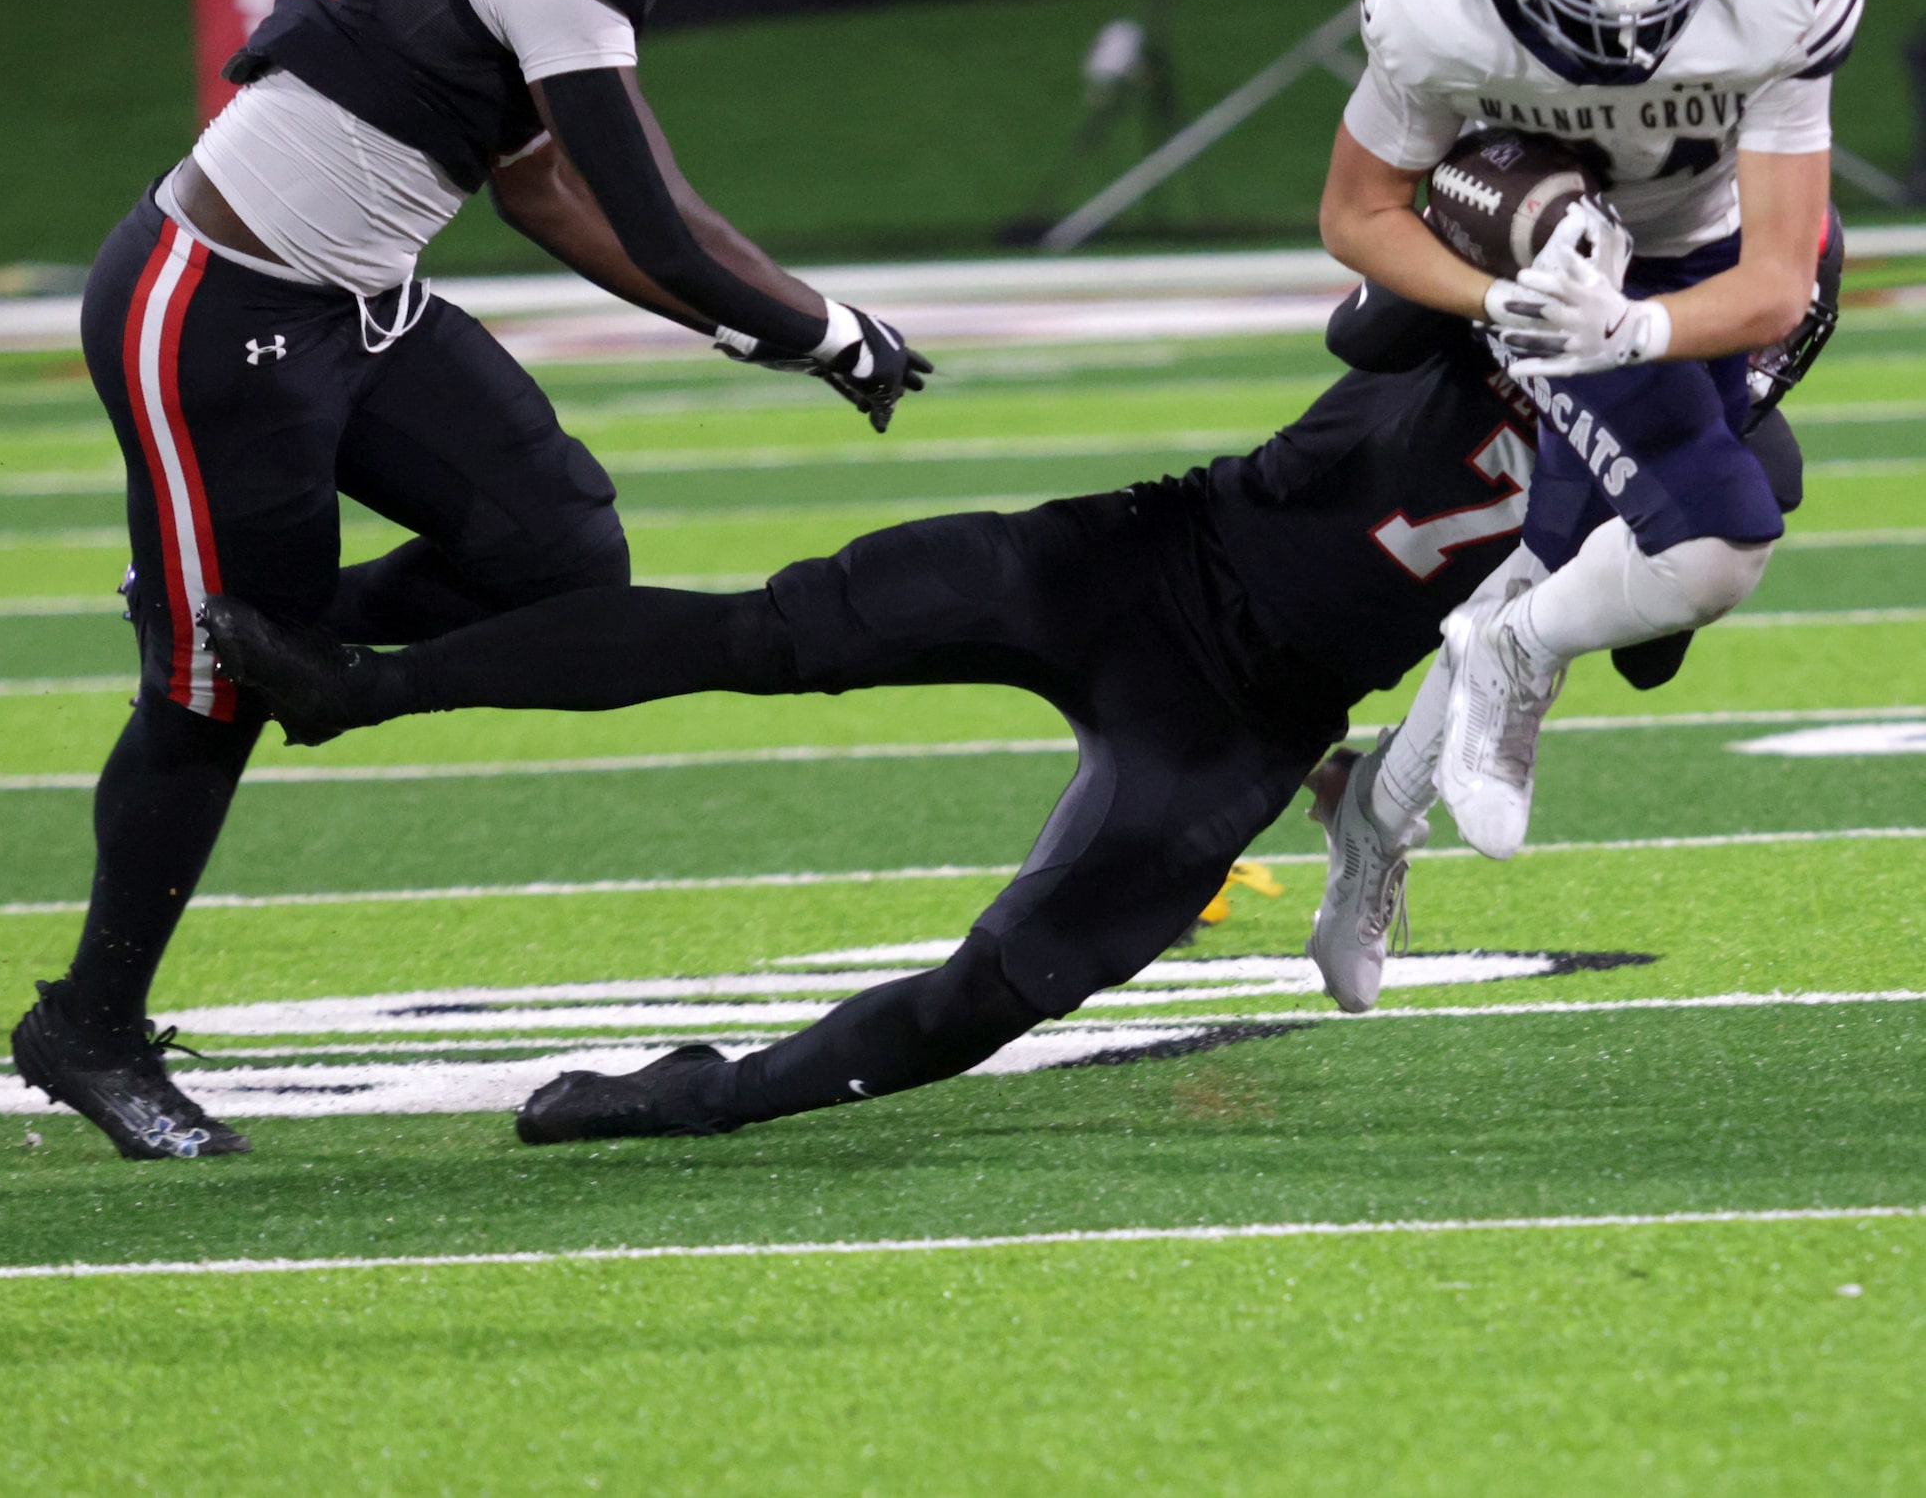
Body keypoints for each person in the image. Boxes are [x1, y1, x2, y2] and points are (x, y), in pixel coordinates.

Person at [193, 258, 1816, 1141]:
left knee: (1002, 989)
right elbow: (1364, 307)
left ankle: (703, 1096)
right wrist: (1515, 272)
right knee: (775, 629)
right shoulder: (1548, 267)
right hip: (1137, 556)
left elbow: (1646, 640)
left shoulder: (1742, 476)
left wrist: (1661, 473)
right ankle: (360, 684)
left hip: (1246, 725)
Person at [7, 0, 931, 1161]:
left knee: (558, 548)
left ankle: (258, 618)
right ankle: (87, 1023)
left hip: (353, 302)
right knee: (211, 701)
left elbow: (548, 197)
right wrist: (815, 330)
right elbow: (642, 207)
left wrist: (767, 326)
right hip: (217, 303)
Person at [1316, 0, 1862, 867]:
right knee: (1716, 540)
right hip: (1542, 254)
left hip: (1712, 260)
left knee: (1589, 570)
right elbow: (1358, 214)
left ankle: (1375, 818)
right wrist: (1495, 300)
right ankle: (1485, 676)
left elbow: (1773, 281)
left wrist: (1631, 332)